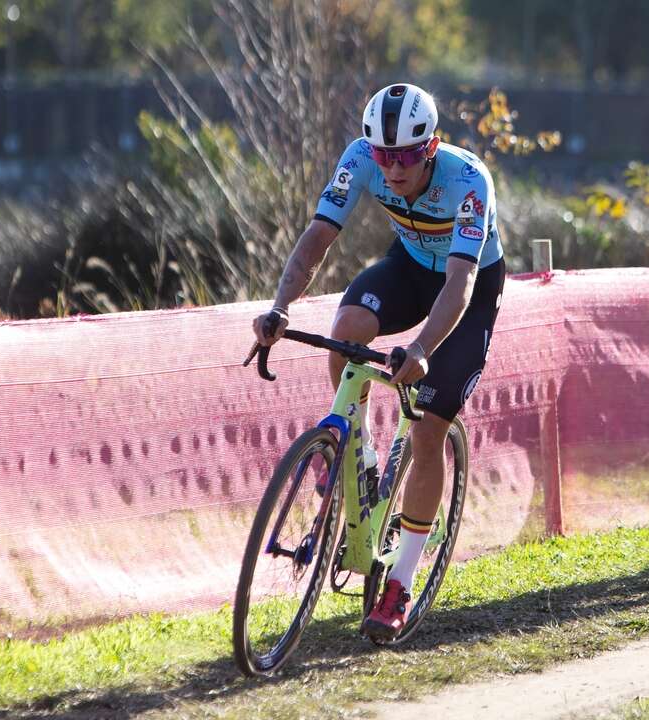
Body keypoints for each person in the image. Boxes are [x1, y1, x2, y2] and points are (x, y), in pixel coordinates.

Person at [251, 83, 504, 641]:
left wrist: (420, 350)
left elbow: (460, 286)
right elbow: (318, 237)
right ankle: (356, 458)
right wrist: (279, 307)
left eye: (405, 157)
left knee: (428, 430)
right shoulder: (361, 157)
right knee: (347, 330)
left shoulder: (468, 182)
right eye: (382, 156)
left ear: (431, 147)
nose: (391, 169)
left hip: (468, 284)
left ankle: (402, 582)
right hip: (411, 267)